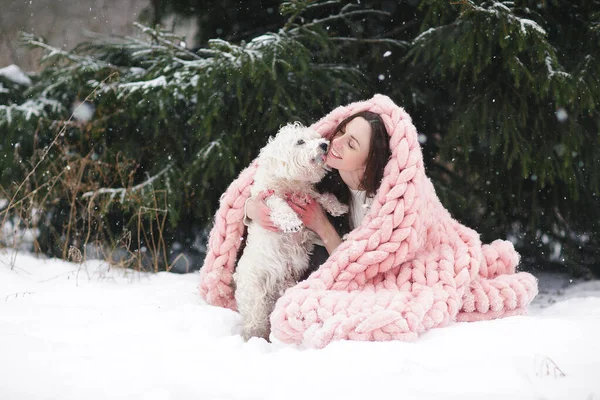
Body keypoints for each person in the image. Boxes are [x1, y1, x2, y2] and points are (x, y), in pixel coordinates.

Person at [244, 111, 391, 272]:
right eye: (341, 132)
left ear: (369, 161)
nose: (336, 142)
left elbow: (357, 271)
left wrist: (322, 225)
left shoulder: (378, 209)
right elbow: (262, 176)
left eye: (351, 144)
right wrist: (251, 209)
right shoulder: (315, 173)